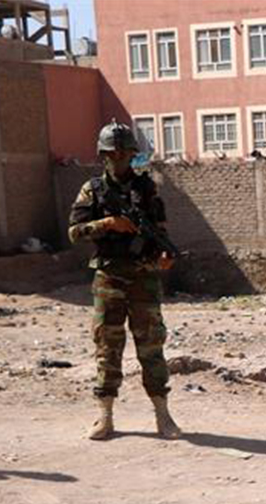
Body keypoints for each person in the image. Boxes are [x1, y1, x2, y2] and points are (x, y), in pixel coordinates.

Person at [68, 121, 182, 441]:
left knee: (151, 346)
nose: (119, 158)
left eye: (125, 153)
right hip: (109, 279)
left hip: (143, 278)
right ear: (103, 155)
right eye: (112, 153)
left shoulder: (147, 189)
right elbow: (74, 232)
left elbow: (160, 229)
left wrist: (164, 255)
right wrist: (108, 224)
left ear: (132, 155)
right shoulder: (92, 190)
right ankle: (105, 417)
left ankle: (163, 415)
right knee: (107, 346)